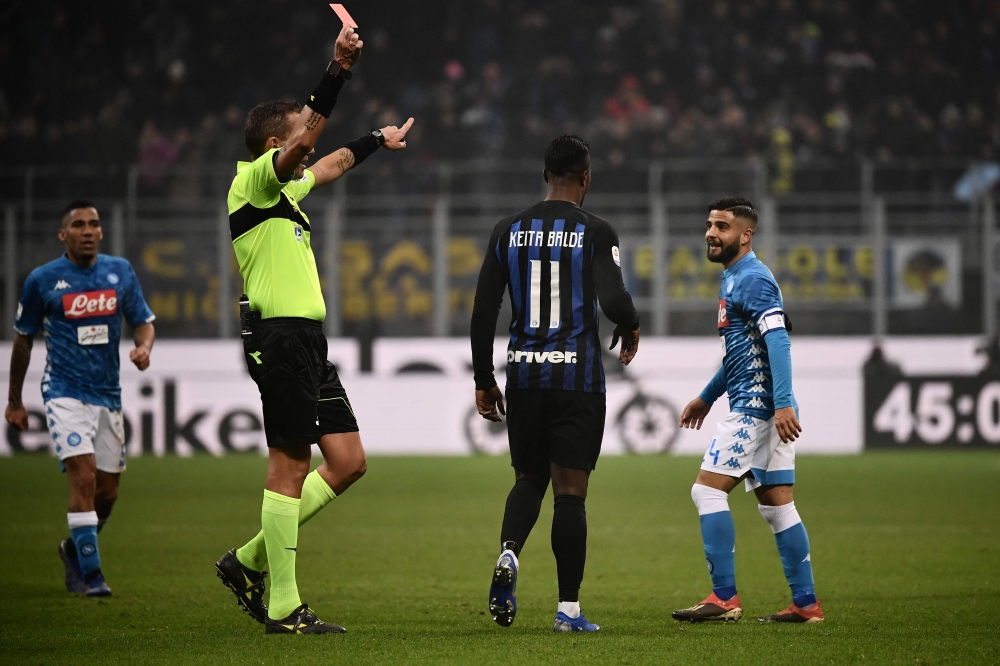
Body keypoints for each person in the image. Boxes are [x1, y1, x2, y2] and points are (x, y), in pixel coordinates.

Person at [212, 24, 413, 635]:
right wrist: (338, 70)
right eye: (299, 126)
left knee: (348, 462)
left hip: (307, 341)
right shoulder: (252, 181)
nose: (308, 131)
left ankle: (246, 560)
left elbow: (330, 162)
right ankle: (284, 608)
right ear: (278, 142)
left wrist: (375, 139)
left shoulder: (288, 191)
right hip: (279, 337)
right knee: (290, 466)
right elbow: (308, 148)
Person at [470, 135, 640, 633]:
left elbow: (484, 311)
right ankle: (568, 611)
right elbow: (613, 300)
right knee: (570, 492)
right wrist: (630, 323)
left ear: (546, 174)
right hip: (576, 378)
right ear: (586, 177)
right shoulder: (595, 230)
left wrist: (484, 378)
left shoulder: (507, 230)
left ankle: (509, 552)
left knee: (528, 479)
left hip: (523, 374)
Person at [672, 197, 823, 624]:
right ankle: (806, 603)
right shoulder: (734, 278)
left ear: (745, 234)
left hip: (757, 408)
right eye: (709, 225)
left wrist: (782, 402)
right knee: (777, 506)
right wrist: (707, 395)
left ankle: (724, 598)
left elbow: (778, 341)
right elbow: (741, 353)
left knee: (706, 491)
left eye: (722, 226)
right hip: (763, 408)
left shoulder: (753, 279)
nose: (711, 233)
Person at [5, 200, 156, 597]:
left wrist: (144, 348)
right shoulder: (43, 279)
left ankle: (73, 548)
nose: (87, 231)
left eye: (93, 224)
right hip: (64, 392)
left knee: (108, 491)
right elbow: (23, 340)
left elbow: (143, 323)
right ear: (63, 235)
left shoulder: (119, 271)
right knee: (84, 477)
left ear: (102, 232)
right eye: (78, 225)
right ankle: (92, 576)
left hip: (107, 394)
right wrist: (15, 401)